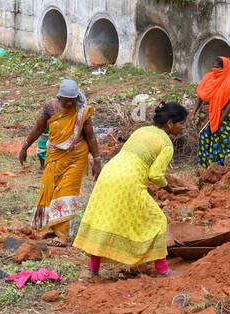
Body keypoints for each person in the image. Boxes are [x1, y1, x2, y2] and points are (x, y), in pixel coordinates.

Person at [74, 102, 189, 278]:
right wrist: (169, 188)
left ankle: (93, 270)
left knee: (104, 218)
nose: (183, 127)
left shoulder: (141, 130)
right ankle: (162, 270)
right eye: (182, 123)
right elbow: (156, 175)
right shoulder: (166, 144)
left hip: (110, 171)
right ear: (170, 123)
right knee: (157, 220)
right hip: (129, 179)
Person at [20, 78, 100, 239]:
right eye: (66, 101)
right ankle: (56, 228)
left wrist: (97, 160)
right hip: (55, 155)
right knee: (52, 190)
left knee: (67, 191)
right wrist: (25, 147)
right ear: (59, 98)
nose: (70, 105)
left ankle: (64, 236)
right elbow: (38, 127)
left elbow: (90, 137)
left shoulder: (81, 111)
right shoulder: (50, 107)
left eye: (72, 101)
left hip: (77, 156)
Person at [194, 56, 230, 169]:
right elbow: (200, 96)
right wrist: (194, 111)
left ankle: (224, 168)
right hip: (205, 116)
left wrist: (220, 119)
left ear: (225, 68)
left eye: (218, 67)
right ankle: (205, 168)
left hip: (223, 117)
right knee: (205, 139)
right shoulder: (207, 78)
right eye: (213, 67)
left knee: (224, 141)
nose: (215, 69)